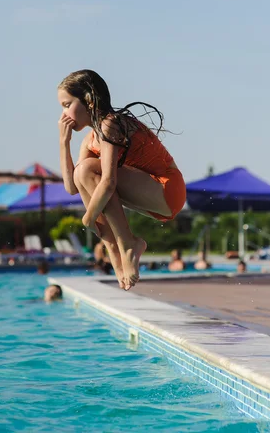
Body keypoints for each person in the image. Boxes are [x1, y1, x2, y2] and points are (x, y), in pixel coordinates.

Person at [57, 70, 186, 291]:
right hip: (148, 195)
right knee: (81, 173)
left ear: (88, 99)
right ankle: (115, 253)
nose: (63, 114)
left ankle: (129, 245)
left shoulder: (111, 124)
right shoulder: (90, 140)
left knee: (87, 169)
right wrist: (63, 142)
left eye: (67, 104)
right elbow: (72, 187)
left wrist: (88, 219)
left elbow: (109, 182)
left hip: (166, 188)